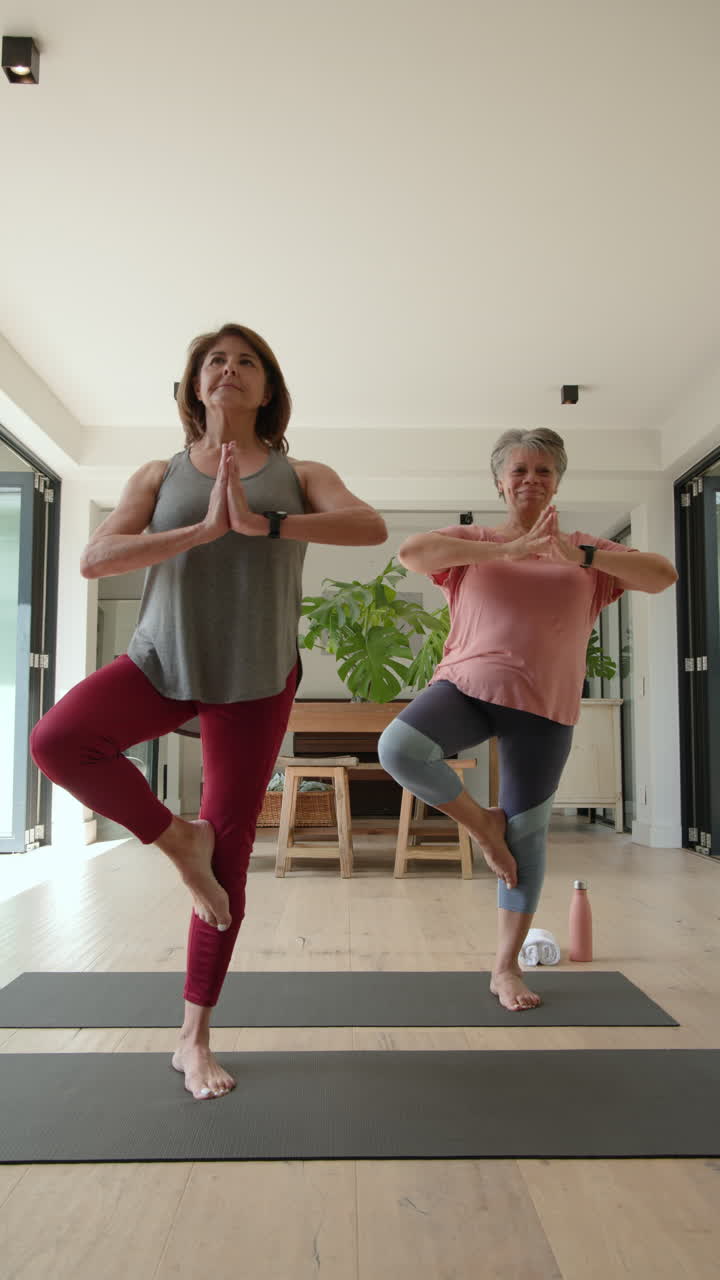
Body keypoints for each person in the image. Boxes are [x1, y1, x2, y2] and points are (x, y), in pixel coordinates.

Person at [31, 323, 387, 1099]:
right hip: (162, 660)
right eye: (215, 362)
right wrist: (200, 529)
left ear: (267, 387)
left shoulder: (302, 473)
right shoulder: (159, 474)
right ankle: (174, 838)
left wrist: (268, 523)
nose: (230, 370)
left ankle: (193, 1039)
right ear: (196, 386)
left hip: (254, 677)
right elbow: (94, 558)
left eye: (247, 361)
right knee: (58, 740)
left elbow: (371, 526)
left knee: (229, 861)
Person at [378, 428, 677, 1012]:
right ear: (499, 481)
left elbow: (663, 575)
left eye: (543, 471)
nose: (530, 480)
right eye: (518, 470)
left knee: (529, 835)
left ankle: (504, 968)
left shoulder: (587, 552)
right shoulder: (474, 540)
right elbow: (411, 554)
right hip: (468, 685)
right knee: (400, 748)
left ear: (558, 481)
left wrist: (581, 556)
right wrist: (503, 552)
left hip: (545, 706)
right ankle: (481, 826)